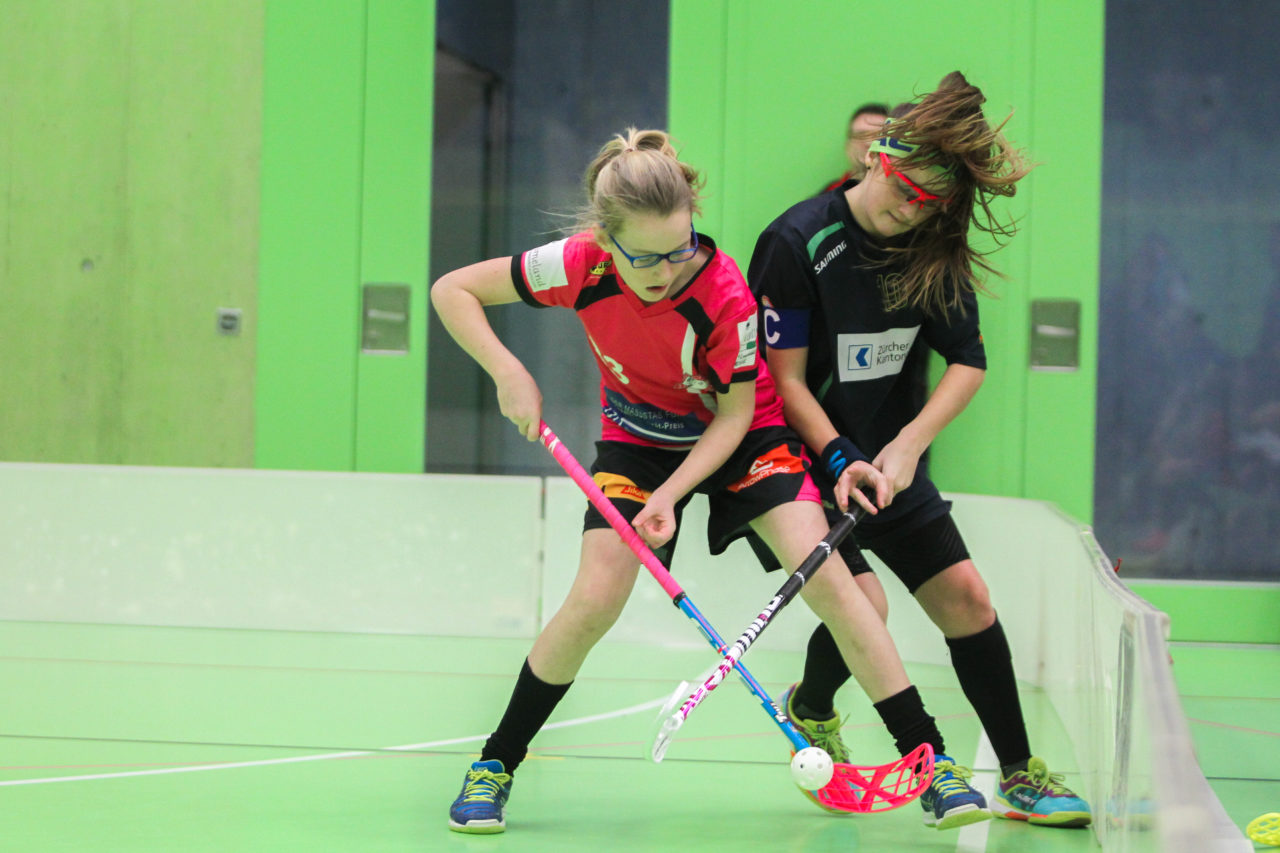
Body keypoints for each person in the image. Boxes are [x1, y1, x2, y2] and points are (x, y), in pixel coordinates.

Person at [433, 127, 991, 834]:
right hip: (639, 441)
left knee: (834, 583)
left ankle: (931, 762)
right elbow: (453, 291)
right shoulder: (576, 265)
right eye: (647, 257)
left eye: (681, 245)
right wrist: (508, 371)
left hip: (743, 437)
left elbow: (732, 420)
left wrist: (670, 496)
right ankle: (495, 763)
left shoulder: (723, 291)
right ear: (607, 242)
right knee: (593, 598)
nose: (669, 267)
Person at [748, 72, 1093, 829]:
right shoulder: (795, 241)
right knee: (864, 602)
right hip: (802, 467)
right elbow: (784, 382)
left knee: (968, 599)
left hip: (892, 463)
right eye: (905, 192)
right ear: (877, 157)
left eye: (931, 203)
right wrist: (840, 455)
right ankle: (826, 710)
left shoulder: (932, 243)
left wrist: (906, 446)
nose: (914, 212)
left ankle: (1018, 774)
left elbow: (967, 359)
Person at [819, 102, 889, 193]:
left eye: (878, 136)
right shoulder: (825, 200)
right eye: (861, 135)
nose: (869, 143)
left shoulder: (907, 199)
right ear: (848, 145)